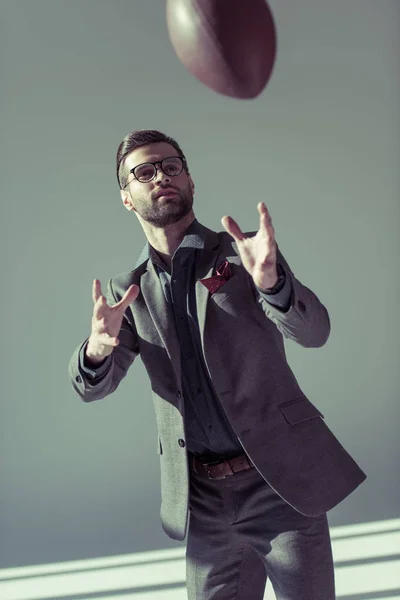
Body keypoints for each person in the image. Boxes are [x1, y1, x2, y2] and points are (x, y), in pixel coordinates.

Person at [69, 129, 366, 600]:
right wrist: (97, 350)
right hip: (203, 500)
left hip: (279, 483)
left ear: (190, 180)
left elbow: (315, 332)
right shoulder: (129, 291)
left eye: (171, 166)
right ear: (127, 197)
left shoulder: (243, 253)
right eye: (143, 172)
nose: (160, 177)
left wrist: (272, 285)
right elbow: (90, 388)